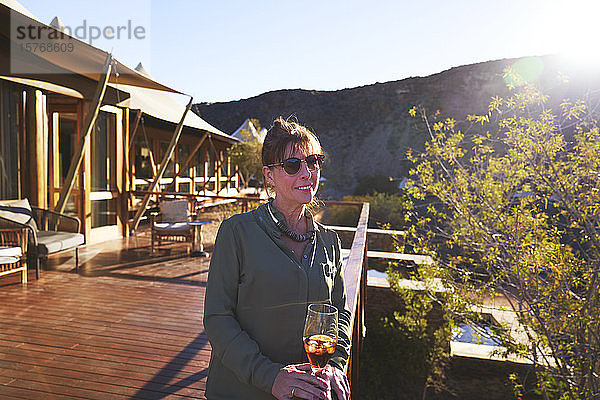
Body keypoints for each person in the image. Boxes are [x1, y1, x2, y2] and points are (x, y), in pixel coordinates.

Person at [203, 117, 351, 400]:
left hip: (306, 392)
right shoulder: (236, 232)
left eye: (314, 161)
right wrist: (271, 377)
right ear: (269, 175)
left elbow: (340, 313)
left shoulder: (330, 241)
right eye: (293, 165)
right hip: (240, 390)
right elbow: (218, 318)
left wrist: (335, 364)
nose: (307, 173)